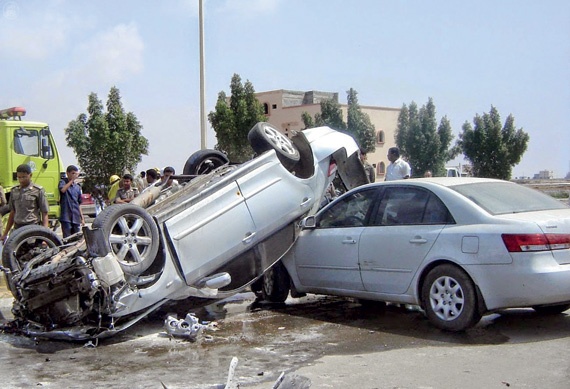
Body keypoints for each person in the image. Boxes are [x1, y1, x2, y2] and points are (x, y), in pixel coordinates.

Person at [0, 164, 50, 242]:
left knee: (33, 252)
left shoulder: (38, 190)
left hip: (32, 228)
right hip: (17, 229)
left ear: (30, 175)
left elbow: (44, 213)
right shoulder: (14, 191)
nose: (21, 180)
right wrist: (5, 233)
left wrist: (46, 236)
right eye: (19, 177)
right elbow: (12, 212)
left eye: (24, 177)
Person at [58, 165, 85, 238]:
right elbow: (63, 190)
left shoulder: (77, 187)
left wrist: (82, 218)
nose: (75, 175)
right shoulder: (63, 182)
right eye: (73, 173)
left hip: (75, 216)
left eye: (76, 174)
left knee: (76, 237)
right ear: (68, 173)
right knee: (67, 237)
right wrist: (71, 180)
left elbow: (79, 203)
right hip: (66, 216)